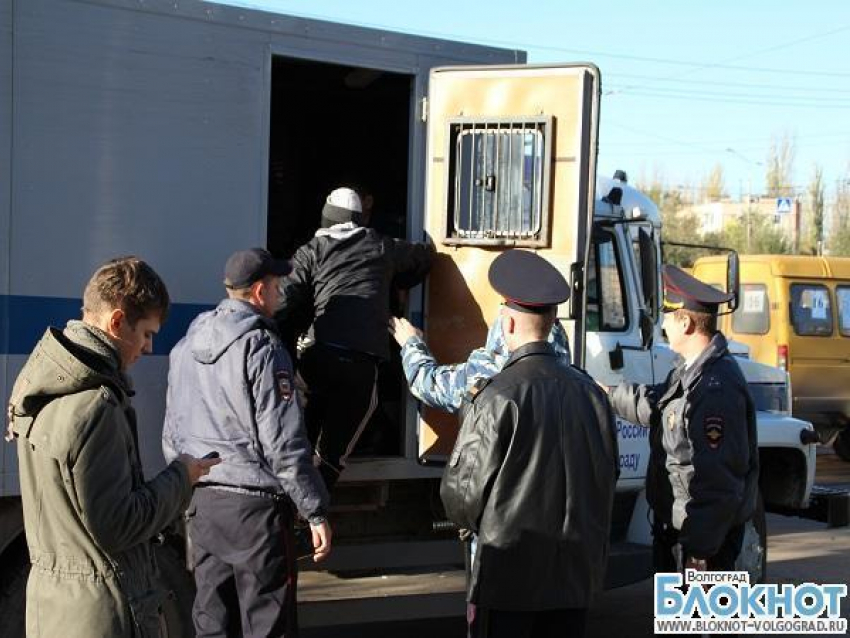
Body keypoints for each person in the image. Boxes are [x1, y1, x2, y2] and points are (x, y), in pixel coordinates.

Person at [6, 256, 219, 638]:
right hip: (104, 616)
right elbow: (117, 525)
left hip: (54, 609)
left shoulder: (40, 388)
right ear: (117, 322)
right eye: (147, 333)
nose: (148, 348)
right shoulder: (96, 406)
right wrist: (182, 476)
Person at [440, 249, 619, 638]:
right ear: (553, 321)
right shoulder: (593, 395)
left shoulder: (495, 396)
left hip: (509, 584)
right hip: (574, 580)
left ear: (506, 323)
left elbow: (461, 498)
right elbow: (607, 479)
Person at [162, 248, 331, 638]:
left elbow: (172, 435)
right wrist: (315, 510)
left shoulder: (185, 348)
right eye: (277, 287)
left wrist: (188, 491)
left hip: (204, 505)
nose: (280, 296)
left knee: (213, 623)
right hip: (256, 515)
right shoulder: (264, 349)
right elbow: (283, 444)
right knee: (266, 627)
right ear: (258, 292)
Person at [275, 187, 434, 492]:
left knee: (301, 436)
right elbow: (424, 258)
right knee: (334, 453)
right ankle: (311, 514)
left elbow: (283, 298)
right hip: (359, 365)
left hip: (316, 357)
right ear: (361, 217)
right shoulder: (380, 246)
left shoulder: (313, 248)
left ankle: (289, 505)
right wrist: (395, 281)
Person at [609, 265, 758, 574]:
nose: (662, 323)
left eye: (667, 315)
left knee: (695, 621)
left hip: (702, 542)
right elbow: (657, 408)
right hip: (681, 529)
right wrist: (606, 394)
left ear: (687, 323)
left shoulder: (716, 387)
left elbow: (718, 480)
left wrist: (700, 552)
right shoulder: (689, 371)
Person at [389, 315, 571, 414]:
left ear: (509, 325)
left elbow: (428, 384)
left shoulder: (488, 379)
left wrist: (410, 342)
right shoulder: (585, 389)